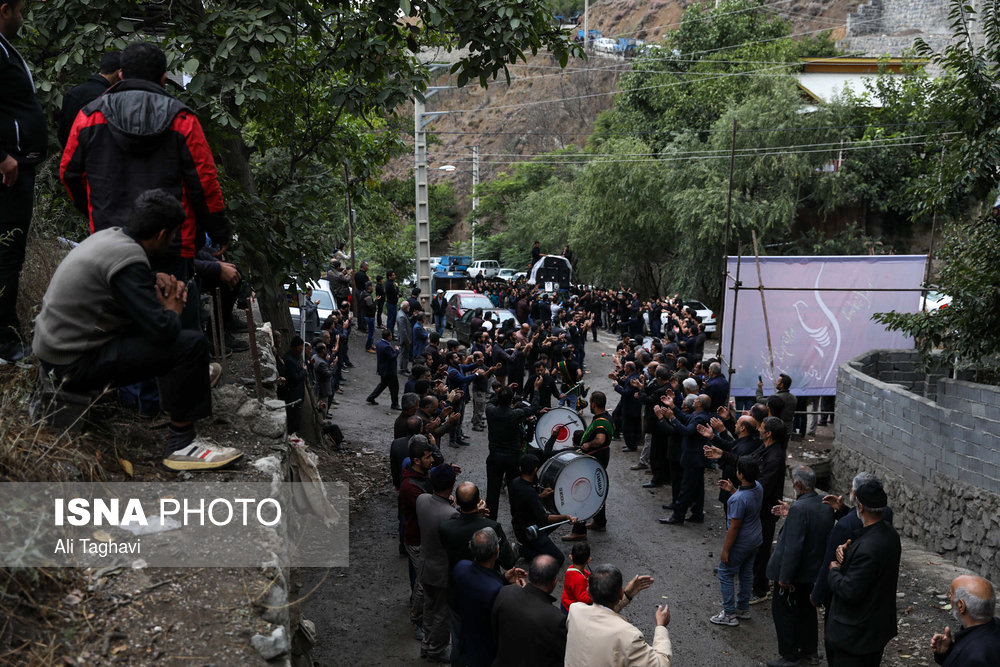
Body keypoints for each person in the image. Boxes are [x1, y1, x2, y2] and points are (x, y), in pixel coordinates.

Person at [32, 189, 240, 471]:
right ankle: (182, 443)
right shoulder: (129, 260)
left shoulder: (111, 237)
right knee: (189, 344)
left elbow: (121, 288)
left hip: (55, 353)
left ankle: (175, 408)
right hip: (73, 365)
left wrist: (153, 279)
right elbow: (163, 332)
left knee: (170, 337)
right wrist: (172, 307)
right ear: (162, 234)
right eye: (173, 236)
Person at [61, 42, 230, 329]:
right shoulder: (182, 119)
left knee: (120, 322)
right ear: (164, 78)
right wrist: (218, 230)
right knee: (174, 321)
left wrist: (93, 211)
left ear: (122, 74)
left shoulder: (90, 116)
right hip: (172, 243)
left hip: (110, 240)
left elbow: (68, 174)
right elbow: (204, 182)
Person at [0, 0, 47, 362]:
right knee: (7, 250)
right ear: (4, 9)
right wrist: (2, 157)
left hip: (16, 166)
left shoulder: (4, 49)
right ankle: (4, 341)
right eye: (20, 10)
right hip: (8, 171)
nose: (22, 17)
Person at [826, 480, 902, 666]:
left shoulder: (869, 548)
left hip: (856, 635)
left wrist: (834, 571)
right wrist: (849, 549)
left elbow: (850, 590)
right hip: (875, 629)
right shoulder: (890, 535)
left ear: (860, 506)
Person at [764, 466, 833, 666]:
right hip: (813, 573)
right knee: (806, 612)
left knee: (784, 613)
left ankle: (789, 655)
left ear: (799, 485)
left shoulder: (799, 509)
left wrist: (784, 577)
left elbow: (793, 547)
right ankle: (809, 652)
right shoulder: (825, 502)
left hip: (795, 574)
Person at [565, 564, 673, 667]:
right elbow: (661, 664)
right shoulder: (628, 635)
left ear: (588, 591)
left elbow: (602, 613)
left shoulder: (575, 611)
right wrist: (661, 627)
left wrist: (627, 595)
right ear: (620, 594)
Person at [451, 528, 526, 667]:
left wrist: (503, 578)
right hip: (486, 650)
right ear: (496, 552)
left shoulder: (460, 568)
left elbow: (478, 583)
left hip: (466, 639)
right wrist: (520, 594)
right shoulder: (496, 592)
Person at [710, 456, 762, 628]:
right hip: (755, 539)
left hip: (741, 543)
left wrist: (726, 550)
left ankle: (729, 614)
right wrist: (733, 490)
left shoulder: (737, 500)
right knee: (746, 573)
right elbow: (746, 504)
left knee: (725, 573)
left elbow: (734, 527)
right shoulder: (758, 488)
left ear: (740, 474)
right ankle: (742, 608)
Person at [416, 465, 459, 663]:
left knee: (429, 607)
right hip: (441, 570)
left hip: (424, 564)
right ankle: (437, 649)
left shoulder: (421, 500)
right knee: (442, 613)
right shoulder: (450, 514)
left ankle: (426, 643)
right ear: (451, 487)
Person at [491, 555, 567, 667]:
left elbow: (495, 629)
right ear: (554, 582)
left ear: (529, 575)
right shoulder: (556, 619)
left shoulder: (506, 592)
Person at [484, 383, 542, 519]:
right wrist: (536, 389)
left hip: (494, 457)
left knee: (492, 492)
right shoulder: (516, 414)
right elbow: (534, 408)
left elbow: (491, 401)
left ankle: (491, 522)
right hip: (513, 458)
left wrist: (502, 392)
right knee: (514, 490)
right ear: (511, 400)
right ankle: (517, 520)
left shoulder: (490, 411)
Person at [563, 391, 613, 541]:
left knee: (584, 492)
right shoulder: (606, 417)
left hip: (595, 457)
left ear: (594, 404)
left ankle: (579, 530)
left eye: (590, 402)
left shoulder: (602, 421)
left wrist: (587, 445)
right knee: (597, 489)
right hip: (600, 457)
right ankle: (599, 522)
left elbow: (600, 439)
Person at [508, 454, 576, 564]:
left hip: (519, 525)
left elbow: (525, 501)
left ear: (520, 468)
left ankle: (534, 545)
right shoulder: (529, 492)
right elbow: (544, 518)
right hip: (530, 531)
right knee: (558, 559)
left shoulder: (515, 482)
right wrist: (566, 517)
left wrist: (540, 496)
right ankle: (521, 550)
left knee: (558, 519)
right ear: (535, 470)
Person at [400, 437, 436, 638]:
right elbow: (428, 509)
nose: (432, 460)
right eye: (428, 457)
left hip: (425, 537)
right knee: (422, 583)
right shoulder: (410, 487)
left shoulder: (423, 474)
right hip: (416, 540)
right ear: (416, 461)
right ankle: (416, 620)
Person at [930, 575, 1000, 667]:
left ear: (961, 606)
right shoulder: (996, 626)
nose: (950, 598)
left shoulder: (974, 658)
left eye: (951, 594)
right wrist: (949, 653)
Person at [58, 50, 121, 146]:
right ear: (119, 72)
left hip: (75, 155)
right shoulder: (111, 98)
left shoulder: (73, 93)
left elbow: (63, 133)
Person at [280, 336, 308, 437]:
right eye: (300, 349)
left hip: (297, 396)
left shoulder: (295, 359)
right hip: (292, 396)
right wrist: (304, 370)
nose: (300, 351)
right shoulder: (289, 360)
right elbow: (295, 378)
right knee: (292, 421)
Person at [366, 329, 400, 409]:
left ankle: (371, 397)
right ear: (388, 337)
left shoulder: (379, 343)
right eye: (391, 335)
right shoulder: (386, 347)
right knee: (394, 388)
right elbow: (392, 356)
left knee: (382, 385)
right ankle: (394, 404)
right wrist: (397, 351)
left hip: (383, 369)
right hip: (389, 371)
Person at [396, 301, 412, 374]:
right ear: (405, 307)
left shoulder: (402, 313)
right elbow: (403, 331)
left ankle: (404, 368)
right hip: (404, 339)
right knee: (404, 354)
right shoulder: (402, 316)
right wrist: (407, 341)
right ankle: (403, 369)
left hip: (405, 338)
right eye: (408, 306)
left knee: (405, 354)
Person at [362, 281, 377, 352]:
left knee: (371, 332)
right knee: (371, 332)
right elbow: (371, 306)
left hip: (366, 315)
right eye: (372, 286)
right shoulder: (367, 296)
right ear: (369, 287)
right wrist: (376, 301)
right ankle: (368, 347)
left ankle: (370, 344)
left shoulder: (363, 293)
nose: (373, 287)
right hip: (369, 316)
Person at [385, 270, 400, 335]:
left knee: (390, 319)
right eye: (393, 275)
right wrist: (397, 287)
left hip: (391, 303)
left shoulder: (388, 283)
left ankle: (389, 333)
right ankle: (390, 333)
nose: (394, 276)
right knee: (392, 319)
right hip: (391, 303)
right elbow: (395, 293)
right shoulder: (390, 284)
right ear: (389, 277)